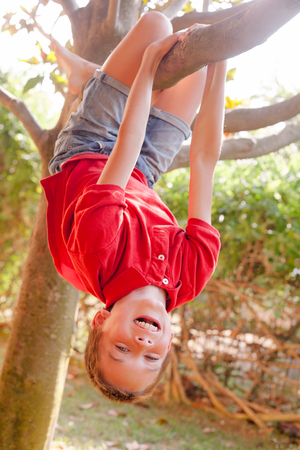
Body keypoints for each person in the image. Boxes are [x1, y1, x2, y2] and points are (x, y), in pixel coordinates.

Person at [41, 11, 227, 403]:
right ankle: (91, 79)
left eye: (122, 349)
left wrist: (147, 67)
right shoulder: (191, 274)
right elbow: (205, 160)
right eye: (152, 356)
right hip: (145, 172)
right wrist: (221, 60)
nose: (142, 342)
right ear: (170, 341)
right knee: (196, 65)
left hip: (93, 150)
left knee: (157, 28)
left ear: (101, 322)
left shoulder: (96, 253)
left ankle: (90, 83)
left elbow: (125, 143)